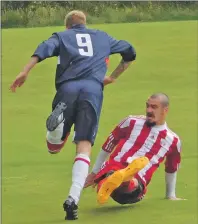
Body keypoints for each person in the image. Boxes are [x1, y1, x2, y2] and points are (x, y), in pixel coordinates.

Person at [9, 10, 136, 220]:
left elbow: (43, 49)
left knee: (54, 147)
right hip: (93, 91)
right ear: (85, 24)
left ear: (67, 26)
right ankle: (73, 198)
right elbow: (129, 52)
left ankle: (57, 128)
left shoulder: (62, 36)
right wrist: (112, 77)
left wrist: (25, 71)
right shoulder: (103, 37)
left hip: (67, 89)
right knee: (84, 144)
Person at [84, 93, 186, 205]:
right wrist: (170, 195)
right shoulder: (131, 121)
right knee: (118, 181)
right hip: (116, 166)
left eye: (154, 107)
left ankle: (122, 179)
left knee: (118, 186)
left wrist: (95, 172)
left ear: (165, 110)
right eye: (147, 106)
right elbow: (109, 144)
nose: (149, 110)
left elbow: (171, 168)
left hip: (138, 178)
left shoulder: (173, 140)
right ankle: (123, 178)